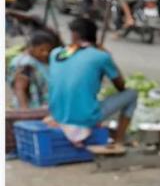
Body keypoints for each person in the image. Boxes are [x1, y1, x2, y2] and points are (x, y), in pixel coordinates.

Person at [46, 17, 138, 151]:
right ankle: (119, 139)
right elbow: (121, 86)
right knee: (132, 94)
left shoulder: (56, 53)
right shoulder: (100, 56)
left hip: (57, 114)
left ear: (74, 35)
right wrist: (107, 56)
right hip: (84, 117)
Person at [8, 30, 57, 110]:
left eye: (48, 50)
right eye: (41, 50)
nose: (45, 53)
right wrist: (24, 111)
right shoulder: (25, 64)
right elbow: (20, 89)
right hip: (32, 111)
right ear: (32, 47)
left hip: (44, 108)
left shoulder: (41, 60)